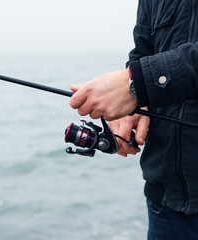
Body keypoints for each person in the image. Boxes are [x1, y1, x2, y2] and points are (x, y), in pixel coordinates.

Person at [69, 1, 198, 239]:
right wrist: (137, 105)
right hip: (165, 205)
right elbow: (143, 52)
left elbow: (142, 75)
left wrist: (139, 82)